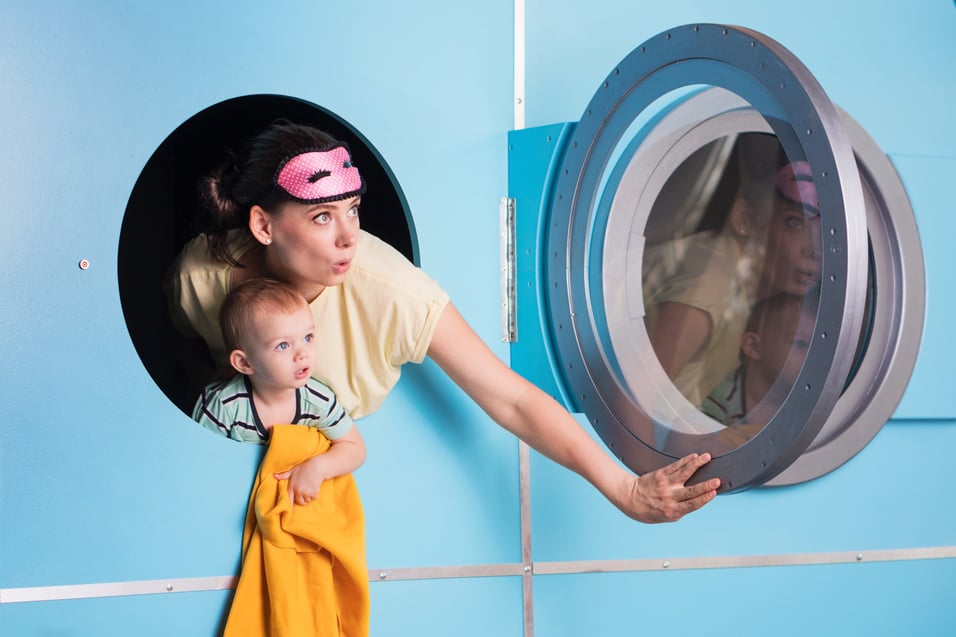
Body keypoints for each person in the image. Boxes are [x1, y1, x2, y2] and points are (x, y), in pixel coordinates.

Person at [166, 120, 718, 523]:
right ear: (263, 225)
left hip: (322, 476)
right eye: (321, 216)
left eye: (354, 209)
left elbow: (512, 399)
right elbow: (178, 352)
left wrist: (624, 489)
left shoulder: (394, 292)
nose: (348, 236)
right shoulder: (200, 275)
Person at [643, 147, 822, 408]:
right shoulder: (708, 287)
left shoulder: (752, 292)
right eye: (794, 223)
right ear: (745, 219)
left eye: (825, 230)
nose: (815, 249)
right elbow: (631, 399)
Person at [192, 277, 365, 507]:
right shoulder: (223, 406)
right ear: (244, 363)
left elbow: (355, 448)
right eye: (283, 345)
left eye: (308, 337)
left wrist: (318, 468)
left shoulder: (316, 399)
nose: (302, 354)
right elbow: (198, 462)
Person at [701, 292, 816, 427]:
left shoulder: (806, 401)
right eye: (800, 344)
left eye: (817, 347)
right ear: (753, 347)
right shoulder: (721, 399)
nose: (813, 356)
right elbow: (700, 441)